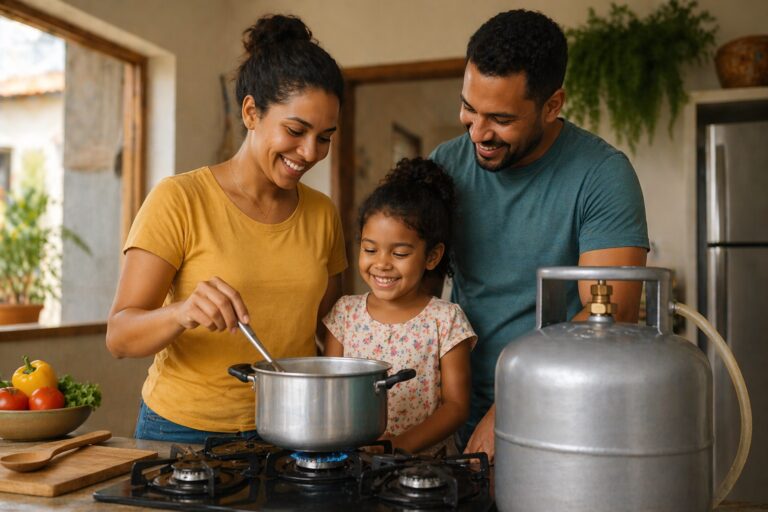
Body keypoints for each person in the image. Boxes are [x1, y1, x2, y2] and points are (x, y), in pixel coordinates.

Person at [105, 15, 347, 444]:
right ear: (251, 112)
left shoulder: (323, 214)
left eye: (325, 137)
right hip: (181, 429)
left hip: (288, 428)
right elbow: (120, 337)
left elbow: (328, 327)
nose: (310, 152)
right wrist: (182, 313)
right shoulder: (179, 199)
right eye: (296, 130)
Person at [429, 9, 650, 460]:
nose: (478, 132)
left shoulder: (602, 176)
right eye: (469, 108)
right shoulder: (445, 166)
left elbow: (611, 316)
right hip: (458, 416)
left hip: (563, 415)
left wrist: (508, 406)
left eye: (501, 119)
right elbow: (417, 294)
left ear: (552, 105)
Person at [323, 157, 476, 455]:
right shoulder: (345, 314)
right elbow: (330, 391)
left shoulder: (446, 320)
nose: (381, 264)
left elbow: (456, 407)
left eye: (400, 253)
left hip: (424, 472)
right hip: (354, 465)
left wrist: (395, 447)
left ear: (432, 257)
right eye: (369, 249)